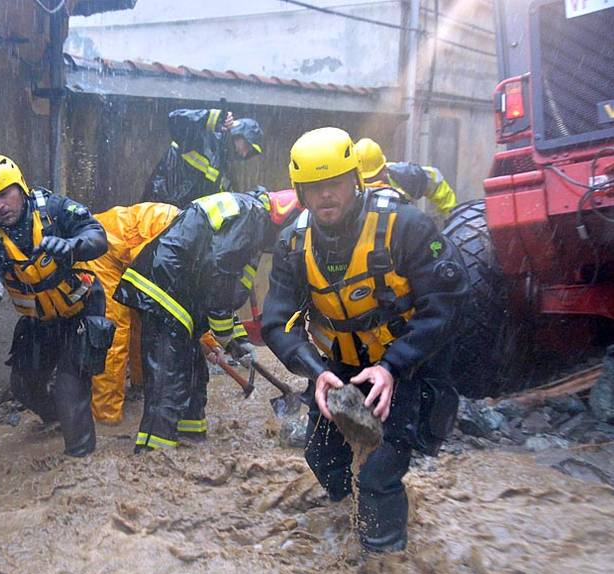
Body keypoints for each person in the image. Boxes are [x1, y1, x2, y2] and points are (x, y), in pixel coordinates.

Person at [261, 128, 468, 552]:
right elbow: (277, 322)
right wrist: (316, 373)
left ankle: (384, 561)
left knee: (377, 474)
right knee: (320, 455)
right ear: (299, 191)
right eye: (314, 188)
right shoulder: (293, 243)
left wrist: (393, 366)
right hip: (341, 368)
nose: (326, 196)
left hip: (408, 365)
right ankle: (344, 520)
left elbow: (448, 303)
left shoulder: (405, 226)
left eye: (335, 183)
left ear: (355, 179)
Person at [114, 188, 301, 451]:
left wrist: (236, 340)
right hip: (165, 290)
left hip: (179, 296)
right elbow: (220, 277)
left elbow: (227, 292)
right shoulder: (251, 218)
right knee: (169, 380)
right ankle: (152, 458)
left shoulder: (249, 217)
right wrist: (226, 337)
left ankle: (192, 442)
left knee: (193, 375)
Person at [0, 155, 112, 458]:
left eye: (4, 195)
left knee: (70, 388)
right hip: (40, 319)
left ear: (20, 187)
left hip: (81, 311)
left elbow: (97, 235)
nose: (0, 206)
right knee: (23, 386)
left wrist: (73, 246)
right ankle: (57, 420)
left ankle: (81, 460)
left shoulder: (56, 209)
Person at [88, 202, 182, 424]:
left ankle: (139, 385)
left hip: (129, 255)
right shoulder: (176, 240)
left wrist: (210, 342)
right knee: (115, 332)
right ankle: (106, 414)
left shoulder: (191, 234)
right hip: (103, 250)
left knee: (142, 319)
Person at [143, 108, 264, 208]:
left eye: (250, 152)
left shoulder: (224, 165)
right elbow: (175, 118)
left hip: (181, 219)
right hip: (159, 206)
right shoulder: (203, 138)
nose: (245, 154)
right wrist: (212, 117)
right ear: (238, 133)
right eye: (247, 146)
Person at [354, 137, 458, 218]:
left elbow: (435, 182)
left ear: (384, 169)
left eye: (373, 178)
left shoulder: (406, 176)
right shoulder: (347, 189)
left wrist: (451, 215)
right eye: (365, 180)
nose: (372, 184)